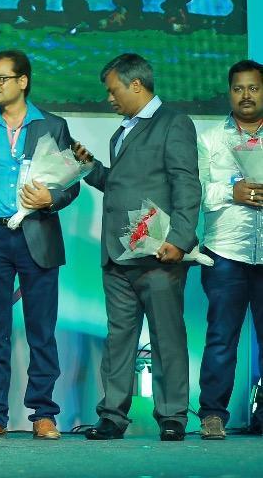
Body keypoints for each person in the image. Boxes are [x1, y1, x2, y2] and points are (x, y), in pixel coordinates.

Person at [72, 53, 200, 440]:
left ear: (137, 85)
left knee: (167, 337)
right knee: (118, 339)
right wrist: (90, 168)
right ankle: (112, 415)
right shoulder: (121, 133)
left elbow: (186, 183)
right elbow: (122, 185)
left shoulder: (173, 123)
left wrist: (180, 239)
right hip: (118, 255)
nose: (109, 98)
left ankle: (173, 416)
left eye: (113, 91)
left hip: (158, 253)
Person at [0, 51, 79, 440]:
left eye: (1, 78)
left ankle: (43, 414)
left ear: (23, 81)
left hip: (37, 234)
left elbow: (71, 183)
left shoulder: (52, 125)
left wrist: (52, 198)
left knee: (41, 330)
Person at [195, 59, 263, 439]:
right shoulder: (209, 139)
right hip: (225, 253)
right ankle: (212, 414)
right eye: (238, 88)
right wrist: (231, 191)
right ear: (229, 93)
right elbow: (196, 191)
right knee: (222, 337)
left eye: (253, 88)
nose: (246, 95)